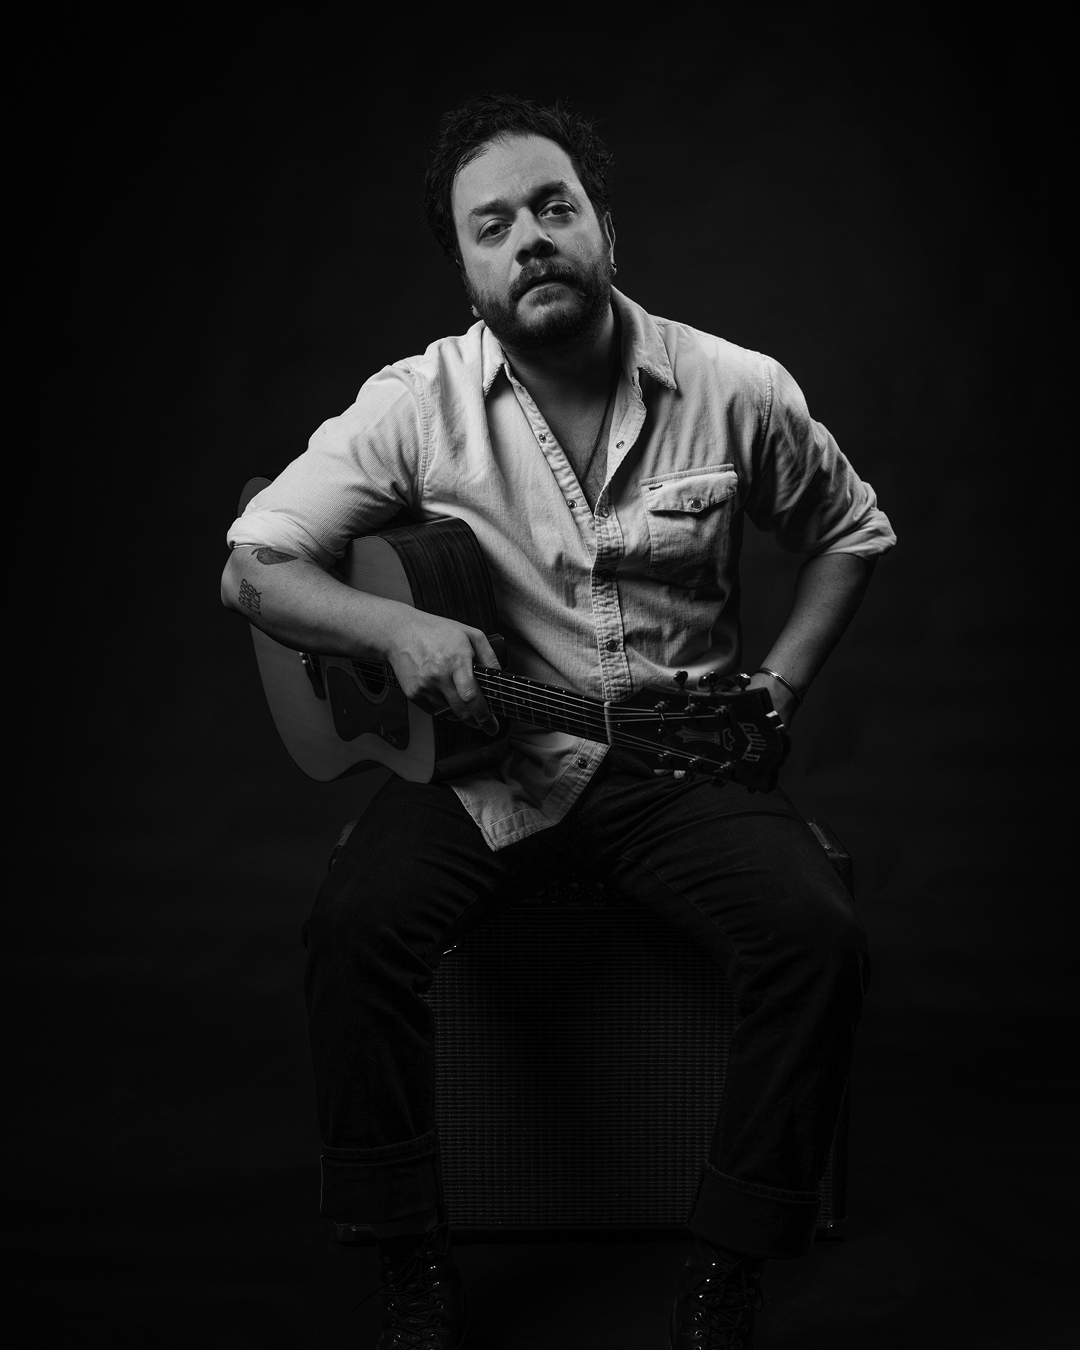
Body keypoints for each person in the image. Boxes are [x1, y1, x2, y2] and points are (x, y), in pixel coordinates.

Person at [222, 93, 895, 1350]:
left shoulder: (735, 387)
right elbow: (253, 569)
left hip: (678, 770)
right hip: (485, 771)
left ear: (603, 230)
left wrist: (783, 687)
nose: (529, 237)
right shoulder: (414, 404)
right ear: (467, 268)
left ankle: (730, 1258)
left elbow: (852, 531)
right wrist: (393, 630)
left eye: (553, 207)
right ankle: (407, 1254)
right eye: (493, 226)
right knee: (353, 928)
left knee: (817, 936)